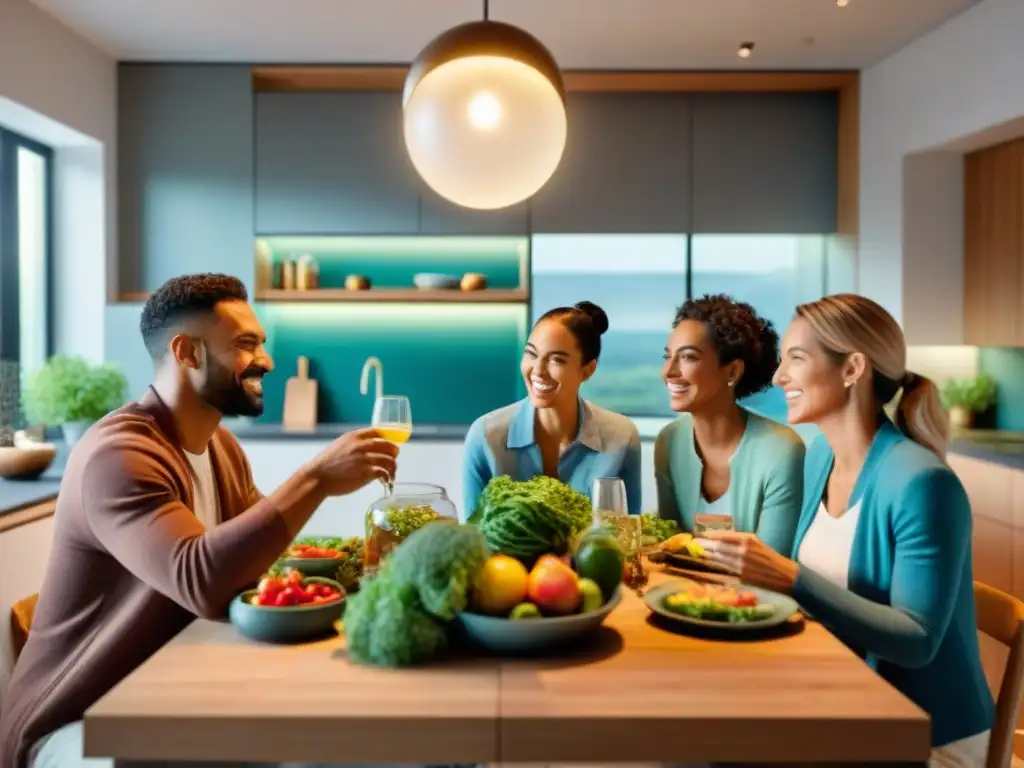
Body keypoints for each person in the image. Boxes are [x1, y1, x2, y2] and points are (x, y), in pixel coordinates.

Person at [0, 274, 400, 768]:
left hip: (165, 696)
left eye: (261, 343)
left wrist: (367, 562)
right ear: (186, 352)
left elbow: (260, 549)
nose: (266, 360)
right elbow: (202, 578)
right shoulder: (119, 455)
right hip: (80, 725)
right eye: (245, 344)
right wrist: (317, 477)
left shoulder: (221, 447)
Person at [699, 293, 995, 767]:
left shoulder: (921, 481)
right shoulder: (819, 457)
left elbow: (917, 641)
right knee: (697, 741)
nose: (779, 378)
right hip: (848, 701)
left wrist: (787, 576)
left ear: (853, 368)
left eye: (796, 359)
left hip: (924, 735)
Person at [654, 294, 804, 556]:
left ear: (733, 371)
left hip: (760, 596)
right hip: (684, 592)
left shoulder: (781, 451)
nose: (669, 371)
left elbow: (772, 567)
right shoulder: (669, 441)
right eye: (667, 357)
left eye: (688, 357)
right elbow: (669, 544)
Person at [462, 301, 642, 518]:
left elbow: (628, 536)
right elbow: (473, 538)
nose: (538, 370)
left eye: (556, 360)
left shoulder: (622, 438)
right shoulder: (485, 437)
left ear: (588, 370)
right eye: (531, 353)